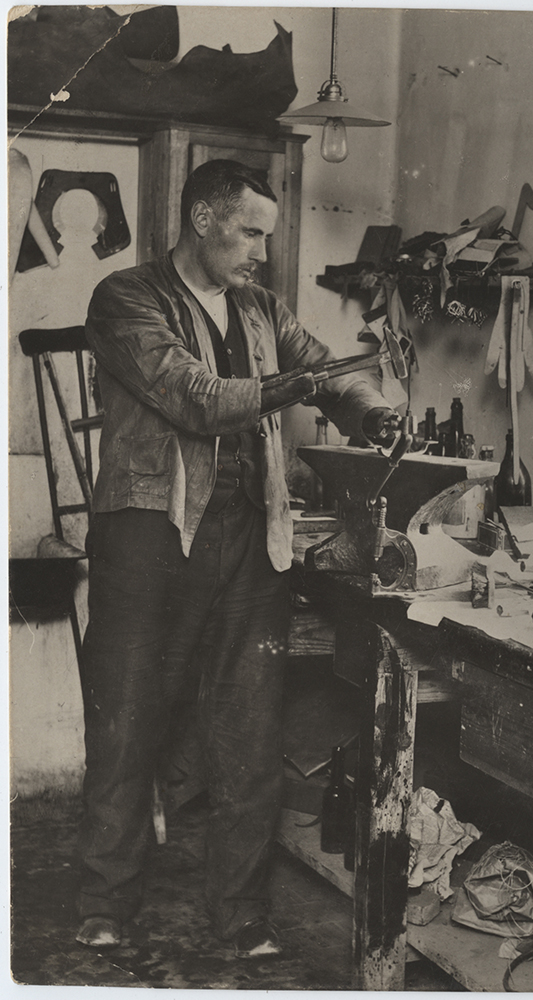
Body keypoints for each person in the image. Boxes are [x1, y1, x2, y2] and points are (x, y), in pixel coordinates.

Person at [76, 159, 399, 958]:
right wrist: (308, 383)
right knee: (126, 725)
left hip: (250, 536)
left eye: (266, 234)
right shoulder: (127, 297)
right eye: (250, 231)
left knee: (247, 733)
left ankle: (240, 916)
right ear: (200, 219)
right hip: (149, 533)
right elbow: (197, 397)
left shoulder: (259, 307)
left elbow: (324, 373)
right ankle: (105, 901)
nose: (261, 250)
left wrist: (371, 410)